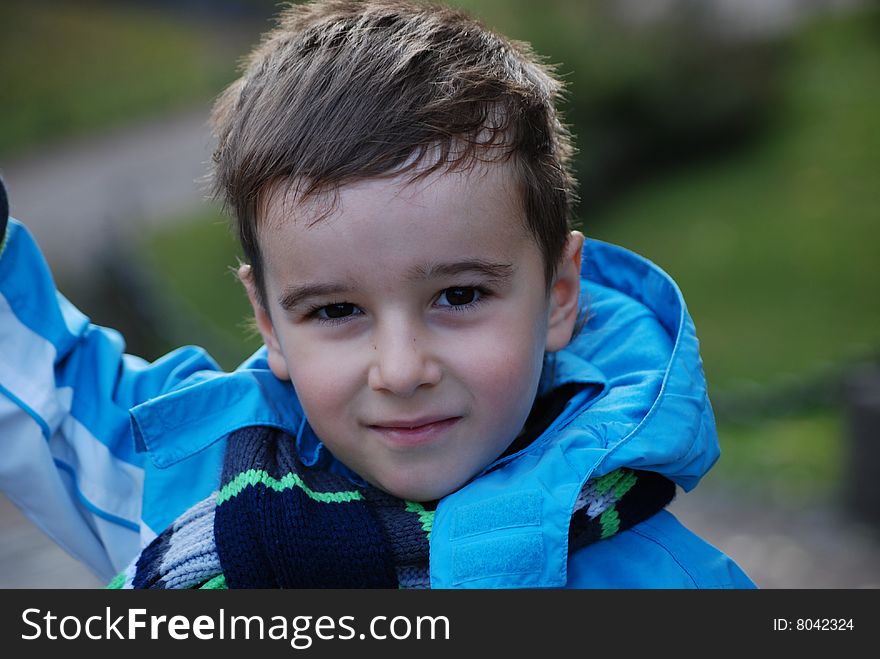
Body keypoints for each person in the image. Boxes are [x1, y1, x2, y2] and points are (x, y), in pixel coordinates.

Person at [0, 0, 754, 589]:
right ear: (268, 320)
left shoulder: (675, 590)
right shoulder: (183, 474)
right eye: (335, 310)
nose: (400, 369)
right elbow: (34, 378)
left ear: (560, 293)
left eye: (458, 295)